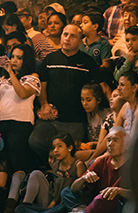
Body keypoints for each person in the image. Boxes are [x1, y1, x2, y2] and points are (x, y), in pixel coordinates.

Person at [28, 24, 100, 162]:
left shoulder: (88, 62)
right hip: (50, 117)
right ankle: (51, 168)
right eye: (65, 34)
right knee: (35, 142)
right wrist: (44, 104)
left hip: (75, 120)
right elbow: (43, 84)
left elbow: (96, 88)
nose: (67, 39)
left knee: (71, 153)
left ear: (80, 41)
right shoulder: (50, 59)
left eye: (73, 36)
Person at [0, 43, 40, 213]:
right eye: (12, 56)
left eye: (19, 57)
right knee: (5, 164)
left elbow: (21, 93)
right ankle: (4, 205)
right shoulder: (4, 78)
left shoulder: (32, 77)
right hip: (2, 122)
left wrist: (11, 73)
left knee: (18, 164)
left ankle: (15, 206)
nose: (14, 60)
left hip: (20, 124)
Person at [51, 127, 130, 213]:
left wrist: (119, 191)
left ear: (127, 145)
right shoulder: (101, 162)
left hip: (118, 208)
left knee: (106, 200)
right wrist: (84, 178)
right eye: (109, 140)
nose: (110, 144)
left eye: (115, 140)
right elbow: (74, 188)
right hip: (97, 206)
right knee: (66, 192)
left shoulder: (133, 165)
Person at [8, 133, 87, 213]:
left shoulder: (78, 165)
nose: (55, 151)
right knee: (19, 208)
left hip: (67, 205)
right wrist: (52, 204)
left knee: (61, 208)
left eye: (60, 146)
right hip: (54, 206)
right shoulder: (56, 165)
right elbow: (55, 191)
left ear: (69, 148)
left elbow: (80, 192)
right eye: (54, 147)